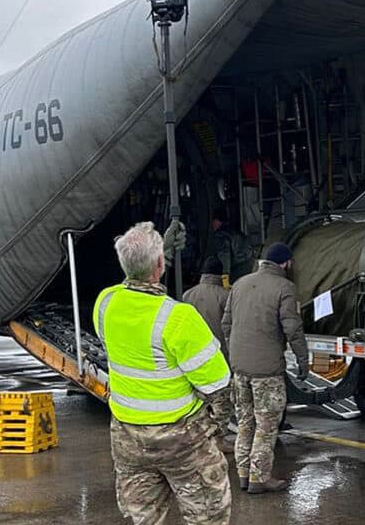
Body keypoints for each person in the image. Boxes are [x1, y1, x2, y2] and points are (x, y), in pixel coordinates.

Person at [93, 222, 232, 525]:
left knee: (143, 517)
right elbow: (218, 382)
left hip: (128, 439)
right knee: (208, 514)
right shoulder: (178, 318)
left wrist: (157, 253)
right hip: (181, 440)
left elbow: (131, 280)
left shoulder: (106, 303)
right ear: (159, 265)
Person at [222, 241, 309, 494]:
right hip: (266, 372)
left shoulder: (239, 284)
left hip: (240, 369)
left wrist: (236, 352)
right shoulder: (284, 287)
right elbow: (293, 328)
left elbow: (226, 324)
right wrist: (303, 360)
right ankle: (260, 478)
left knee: (245, 423)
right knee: (266, 426)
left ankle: (243, 476)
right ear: (286, 263)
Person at [182, 257, 233, 450]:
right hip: (219, 357)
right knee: (222, 403)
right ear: (220, 275)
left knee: (199, 402)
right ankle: (218, 439)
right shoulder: (225, 296)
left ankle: (198, 439)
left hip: (193, 358)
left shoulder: (187, 295)